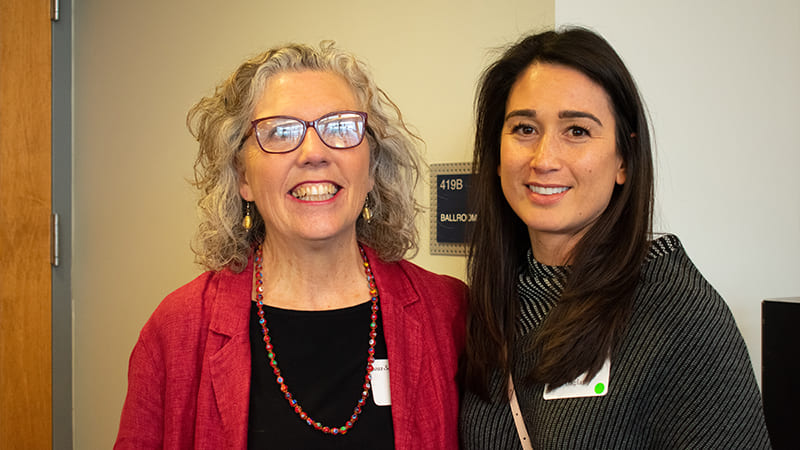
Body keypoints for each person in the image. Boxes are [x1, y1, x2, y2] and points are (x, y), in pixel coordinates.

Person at [114, 42, 466, 450]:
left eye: (339, 127)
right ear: (242, 176)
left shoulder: (449, 313)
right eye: (280, 132)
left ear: (371, 168)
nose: (314, 153)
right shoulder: (175, 330)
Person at [459, 27, 771, 449]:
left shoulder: (678, 315)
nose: (544, 159)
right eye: (525, 129)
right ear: (496, 156)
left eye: (577, 132)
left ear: (624, 159)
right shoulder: (491, 306)